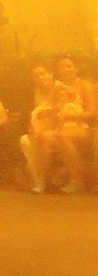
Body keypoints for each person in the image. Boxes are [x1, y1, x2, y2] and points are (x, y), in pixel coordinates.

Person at [20, 64, 84, 194]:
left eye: (43, 74)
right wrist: (33, 128)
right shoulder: (36, 93)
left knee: (45, 137)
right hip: (48, 127)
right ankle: (40, 180)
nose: (40, 78)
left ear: (50, 74)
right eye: (36, 76)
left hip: (69, 126)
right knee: (27, 140)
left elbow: (58, 112)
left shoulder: (60, 89)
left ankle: (76, 181)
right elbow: (34, 115)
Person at [54, 55, 95, 187]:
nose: (65, 70)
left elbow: (92, 113)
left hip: (84, 128)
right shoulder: (57, 88)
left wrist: (70, 117)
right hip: (61, 126)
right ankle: (43, 180)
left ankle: (77, 179)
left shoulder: (84, 85)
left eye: (69, 66)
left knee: (61, 136)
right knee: (43, 137)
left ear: (76, 69)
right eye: (62, 67)